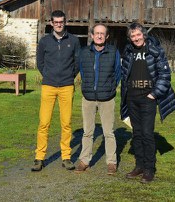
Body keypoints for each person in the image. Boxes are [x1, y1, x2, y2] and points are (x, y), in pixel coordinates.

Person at [120, 22, 175, 183]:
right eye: (133, 36)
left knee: (147, 133)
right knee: (136, 133)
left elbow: (165, 75)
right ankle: (139, 166)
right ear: (130, 38)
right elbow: (124, 73)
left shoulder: (155, 51)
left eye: (138, 35)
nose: (136, 38)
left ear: (144, 35)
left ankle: (149, 169)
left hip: (148, 98)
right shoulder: (128, 51)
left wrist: (154, 94)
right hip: (132, 97)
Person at [31, 10, 80, 172]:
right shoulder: (44, 41)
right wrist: (48, 75)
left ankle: (66, 157)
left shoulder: (73, 41)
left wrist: (69, 76)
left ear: (65, 22)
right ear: (51, 23)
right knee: (44, 123)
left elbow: (77, 62)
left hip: (67, 86)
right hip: (49, 86)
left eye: (62, 22)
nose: (59, 24)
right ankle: (39, 158)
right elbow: (40, 62)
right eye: (56, 22)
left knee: (66, 123)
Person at [74, 24, 120, 175]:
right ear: (92, 36)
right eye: (97, 33)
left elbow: (118, 74)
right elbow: (80, 69)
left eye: (102, 34)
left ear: (107, 37)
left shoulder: (113, 52)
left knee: (109, 132)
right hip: (88, 98)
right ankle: (84, 160)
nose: (99, 36)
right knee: (87, 132)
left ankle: (111, 162)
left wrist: (111, 88)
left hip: (107, 98)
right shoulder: (84, 52)